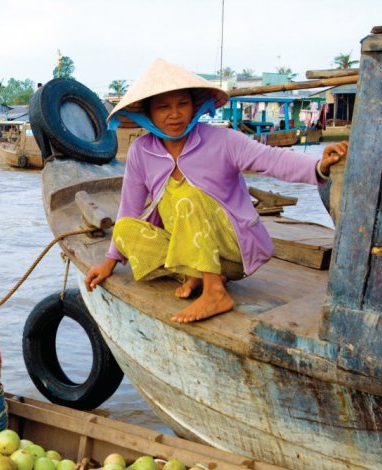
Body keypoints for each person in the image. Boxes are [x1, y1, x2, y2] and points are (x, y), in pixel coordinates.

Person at [85, 58, 348, 324]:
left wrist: (318, 165)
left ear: (194, 106)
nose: (174, 114)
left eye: (182, 105)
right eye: (163, 107)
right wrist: (109, 262)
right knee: (124, 229)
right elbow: (129, 208)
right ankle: (196, 275)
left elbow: (271, 160)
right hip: (191, 251)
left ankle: (214, 291)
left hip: (232, 252)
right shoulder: (142, 151)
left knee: (188, 198)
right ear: (149, 114)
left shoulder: (222, 140)